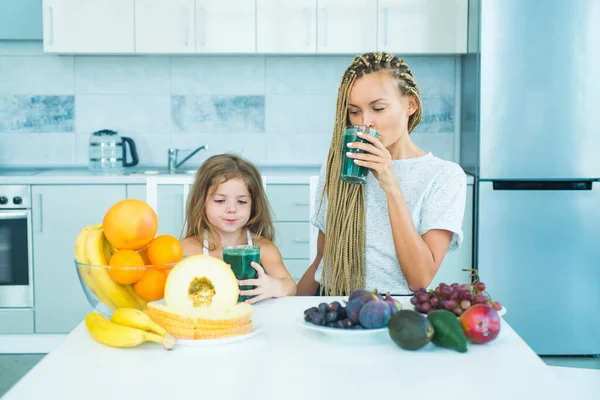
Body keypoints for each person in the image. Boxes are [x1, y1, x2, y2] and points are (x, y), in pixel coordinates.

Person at [296, 51, 467, 296]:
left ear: (410, 104)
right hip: (333, 304)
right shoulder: (338, 168)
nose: (365, 122)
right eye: (354, 111)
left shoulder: (444, 176)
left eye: (378, 108)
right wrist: (290, 311)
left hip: (393, 310)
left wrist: (390, 183)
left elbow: (419, 279)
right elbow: (323, 259)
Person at [182, 153, 296, 303]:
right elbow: (181, 290)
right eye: (220, 200)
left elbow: (290, 286)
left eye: (242, 202)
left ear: (253, 205)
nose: (231, 209)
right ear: (202, 202)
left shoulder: (263, 248)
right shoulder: (191, 248)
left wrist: (275, 286)